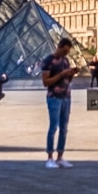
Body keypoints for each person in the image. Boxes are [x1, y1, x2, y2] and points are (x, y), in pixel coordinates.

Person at [41, 38, 76, 168]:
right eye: (65, 51)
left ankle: (60, 157)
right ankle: (50, 158)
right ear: (59, 47)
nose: (66, 54)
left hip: (66, 97)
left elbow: (68, 79)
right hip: (54, 97)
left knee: (64, 129)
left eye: (68, 52)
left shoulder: (66, 61)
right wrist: (61, 74)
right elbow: (46, 82)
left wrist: (71, 74)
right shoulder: (48, 61)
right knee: (53, 128)